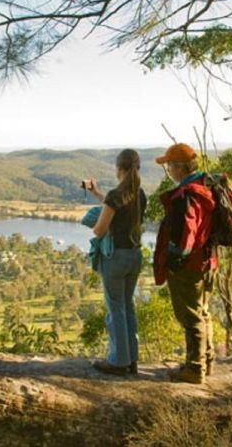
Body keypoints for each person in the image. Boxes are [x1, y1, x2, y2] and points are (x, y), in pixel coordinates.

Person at [153, 143, 217, 384]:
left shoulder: (186, 195)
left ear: (180, 167)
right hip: (208, 260)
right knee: (202, 312)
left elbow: (187, 230)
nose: (168, 169)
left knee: (190, 317)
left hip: (189, 265)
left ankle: (194, 368)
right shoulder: (205, 187)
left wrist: (175, 257)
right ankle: (207, 361)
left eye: (169, 165)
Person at [87, 148, 147, 376]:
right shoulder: (139, 194)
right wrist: (97, 194)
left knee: (116, 309)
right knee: (127, 306)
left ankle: (118, 361)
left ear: (118, 169)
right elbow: (117, 206)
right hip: (134, 256)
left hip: (116, 258)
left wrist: (93, 222)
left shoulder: (117, 195)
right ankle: (131, 360)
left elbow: (100, 229)